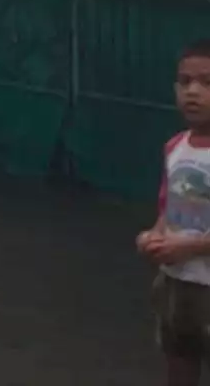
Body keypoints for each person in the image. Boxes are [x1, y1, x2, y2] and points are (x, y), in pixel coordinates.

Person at [137, 39, 211, 386]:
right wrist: (152, 236)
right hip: (175, 285)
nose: (193, 92)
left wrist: (190, 248)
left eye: (208, 83)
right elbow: (168, 211)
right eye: (185, 82)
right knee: (179, 366)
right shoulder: (175, 148)